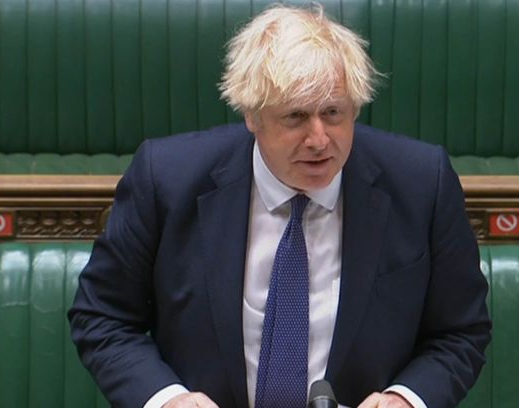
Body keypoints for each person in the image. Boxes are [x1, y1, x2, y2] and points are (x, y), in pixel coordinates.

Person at [68, 4, 491, 408]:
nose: (320, 139)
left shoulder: (421, 184)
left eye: (333, 112)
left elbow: (460, 332)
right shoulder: (166, 179)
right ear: (252, 115)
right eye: (295, 117)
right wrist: (166, 399)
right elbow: (102, 316)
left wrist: (406, 399)